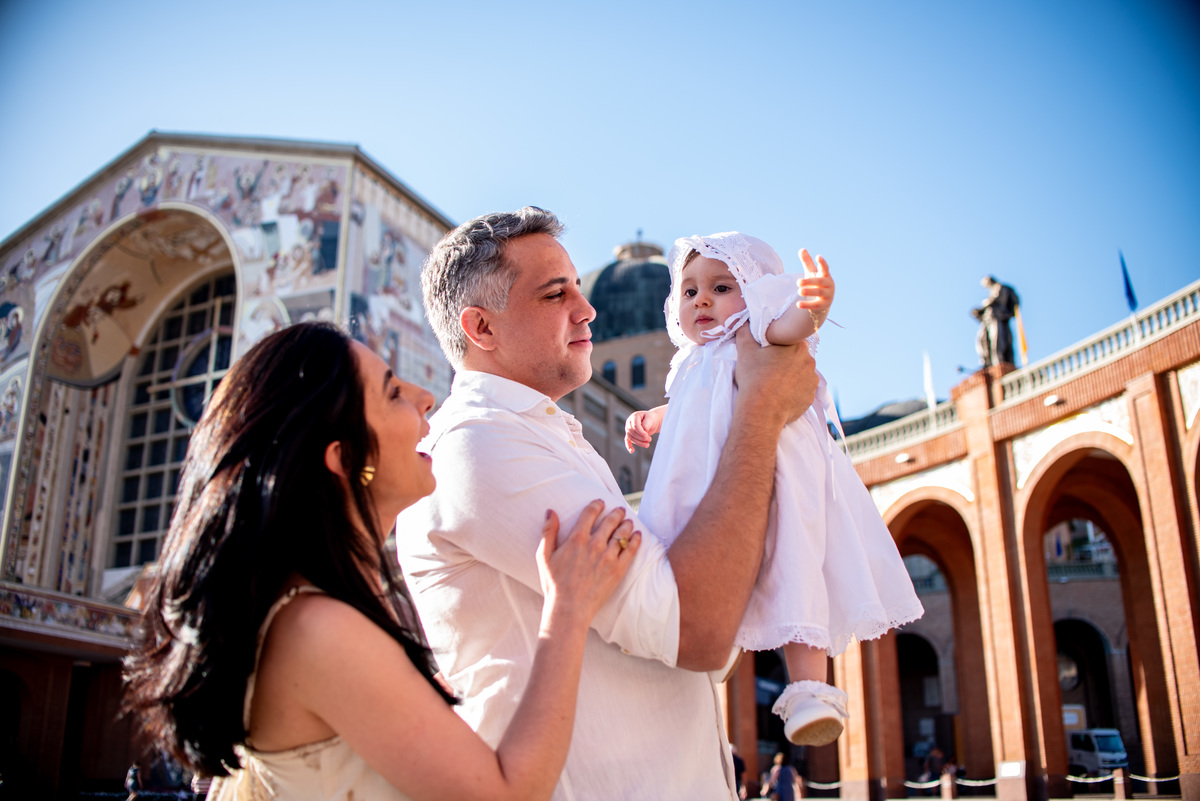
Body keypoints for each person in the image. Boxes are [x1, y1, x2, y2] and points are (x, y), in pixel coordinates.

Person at [398, 207, 819, 800]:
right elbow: (696, 627)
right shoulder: (479, 446)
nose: (587, 307)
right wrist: (760, 412)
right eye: (554, 293)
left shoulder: (549, 438)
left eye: (577, 285)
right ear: (482, 329)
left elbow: (707, 641)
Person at [122, 321, 640, 801]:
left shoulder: (317, 614)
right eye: (393, 392)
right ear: (346, 458)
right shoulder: (318, 629)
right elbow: (505, 794)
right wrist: (567, 609)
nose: (424, 397)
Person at [626, 232, 924, 746]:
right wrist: (653, 419)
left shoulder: (759, 333)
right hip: (706, 492)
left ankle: (810, 689)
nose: (702, 301)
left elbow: (792, 327)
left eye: (721, 287)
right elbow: (691, 406)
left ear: (757, 293)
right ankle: (710, 642)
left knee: (793, 563)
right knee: (695, 558)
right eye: (690, 291)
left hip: (777, 477)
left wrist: (814, 307)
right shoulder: (692, 363)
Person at [972, 275, 1019, 366]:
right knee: (983, 341)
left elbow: (994, 300)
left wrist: (981, 309)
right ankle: (988, 364)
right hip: (989, 319)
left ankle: (999, 362)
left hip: (997, 317)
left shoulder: (999, 287)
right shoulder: (995, 290)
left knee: (997, 342)